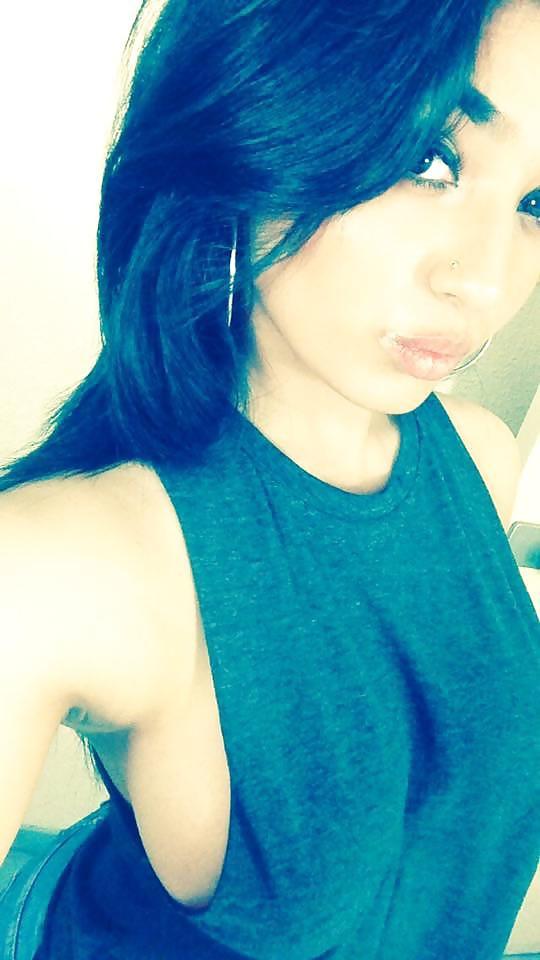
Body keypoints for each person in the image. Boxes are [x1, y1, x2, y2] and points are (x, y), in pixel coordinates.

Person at [0, 0, 539, 957]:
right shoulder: (60, 568)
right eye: (427, 157)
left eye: (536, 203)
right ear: (250, 116)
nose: (488, 283)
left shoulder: (482, 455)